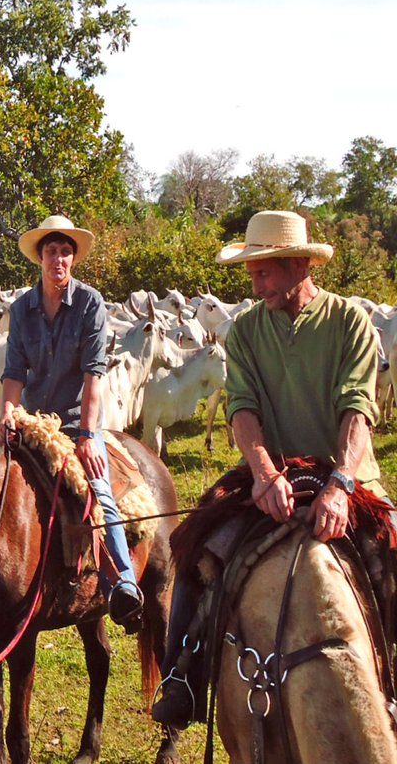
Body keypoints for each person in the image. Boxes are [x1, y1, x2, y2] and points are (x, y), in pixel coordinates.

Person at [151, 209, 386, 726]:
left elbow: (358, 408)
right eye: (253, 272)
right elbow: (243, 408)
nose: (256, 285)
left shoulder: (349, 321)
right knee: (193, 547)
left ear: (301, 264)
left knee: (392, 554)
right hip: (273, 473)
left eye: (265, 271)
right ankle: (180, 679)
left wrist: (342, 484)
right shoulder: (247, 331)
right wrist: (262, 473)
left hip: (344, 474)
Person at [0, 214, 144, 632]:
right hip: (31, 419)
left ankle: (123, 583)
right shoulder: (22, 309)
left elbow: (93, 374)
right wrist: (9, 413)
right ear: (40, 259)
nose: (58, 259)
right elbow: (14, 373)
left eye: (65, 252)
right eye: (51, 252)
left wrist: (86, 436)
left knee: (98, 485)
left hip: (78, 418)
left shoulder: (89, 304)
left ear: (73, 259)